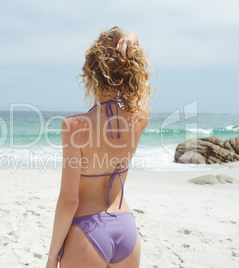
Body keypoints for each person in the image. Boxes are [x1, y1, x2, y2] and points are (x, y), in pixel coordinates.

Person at [46, 26, 156, 268]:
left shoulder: (74, 126)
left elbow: (69, 201)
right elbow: (139, 95)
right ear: (129, 74)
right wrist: (133, 39)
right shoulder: (138, 118)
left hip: (87, 230)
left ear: (90, 74)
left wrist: (52, 255)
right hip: (126, 230)